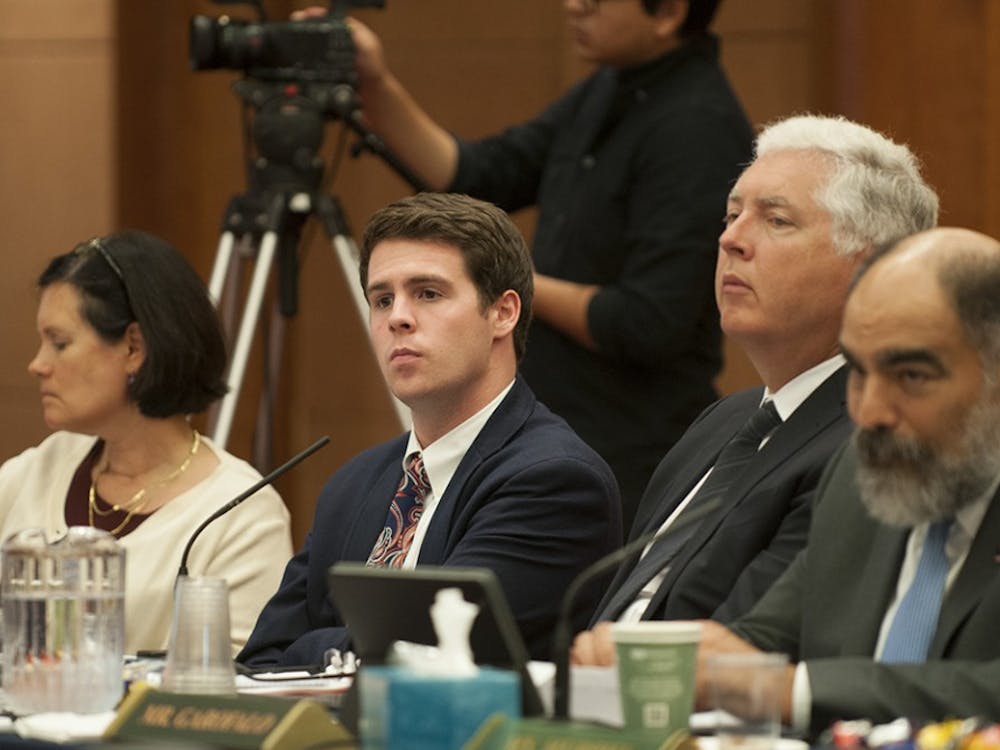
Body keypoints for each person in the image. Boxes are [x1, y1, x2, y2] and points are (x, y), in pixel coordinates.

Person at [296, 0, 753, 528]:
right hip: (558, 428)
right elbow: (479, 176)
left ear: (669, 12)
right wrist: (373, 84)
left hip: (630, 452)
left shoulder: (696, 126)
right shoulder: (610, 87)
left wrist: (503, 285)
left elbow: (647, 322)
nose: (574, 4)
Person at [570, 114, 940, 665]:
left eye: (776, 221)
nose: (729, 239)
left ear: (870, 269)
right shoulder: (720, 423)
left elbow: (750, 648)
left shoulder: (872, 438)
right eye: (732, 215)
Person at [238, 192, 622, 668]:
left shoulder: (554, 480)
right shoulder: (352, 485)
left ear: (503, 312)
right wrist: (353, 648)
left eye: (428, 293)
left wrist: (319, 649)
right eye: (382, 299)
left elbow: (428, 655)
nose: (397, 317)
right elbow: (261, 657)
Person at [696, 227, 1000, 734]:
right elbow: (759, 643)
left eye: (911, 376)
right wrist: (660, 660)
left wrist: (793, 689)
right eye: (858, 373)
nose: (869, 412)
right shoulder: (860, 479)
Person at [0, 230, 293, 655]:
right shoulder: (37, 470)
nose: (37, 365)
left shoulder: (240, 512)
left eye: (59, 343)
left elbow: (240, 687)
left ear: (134, 347)